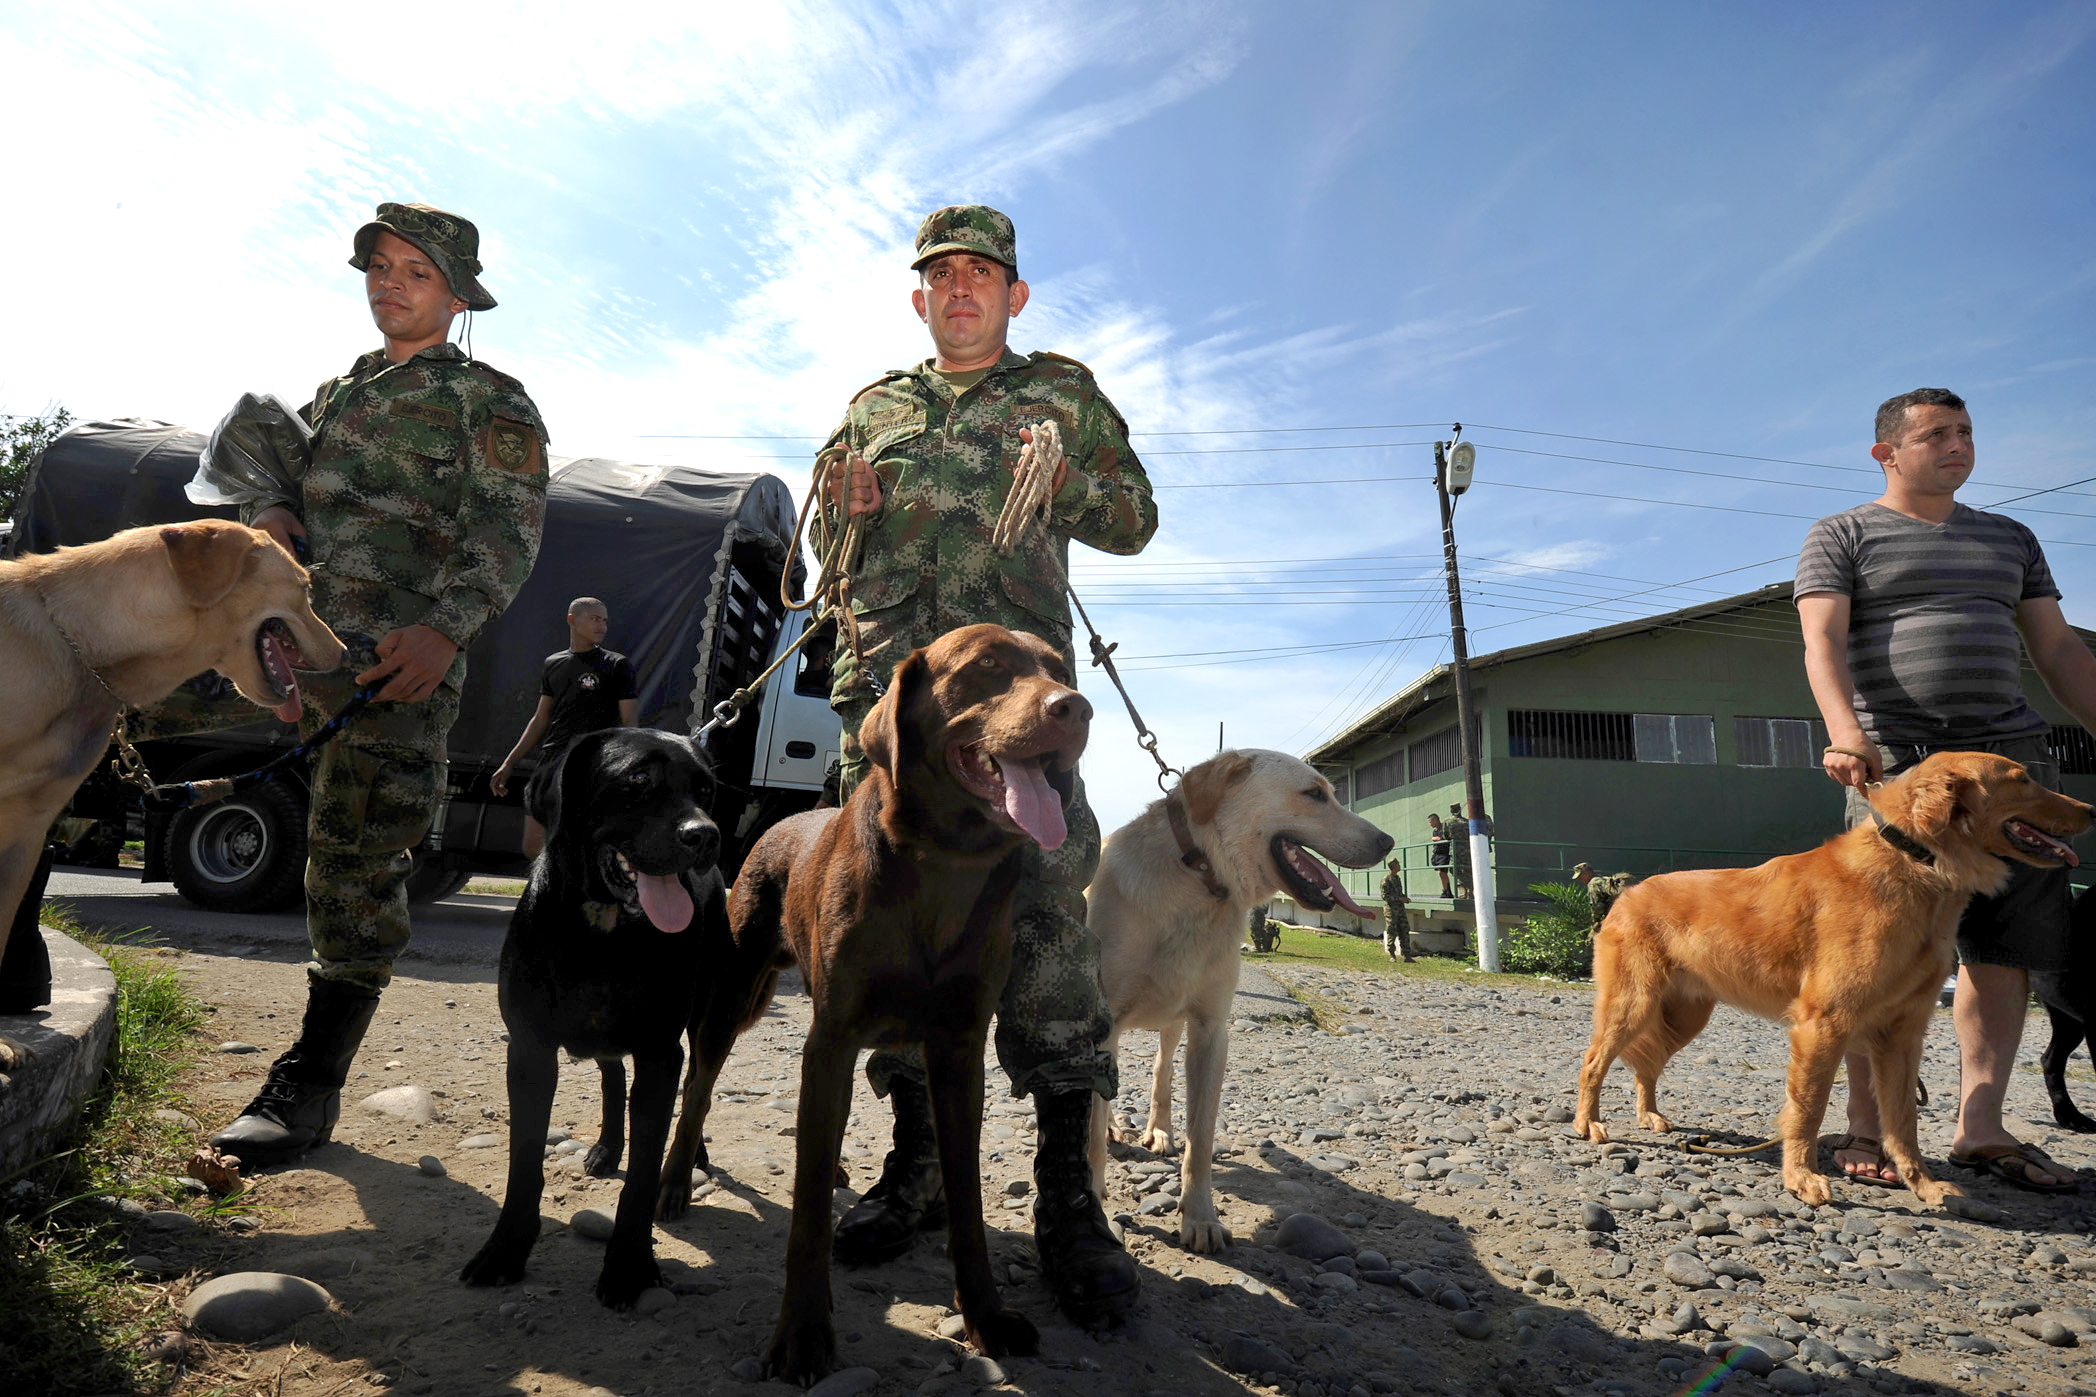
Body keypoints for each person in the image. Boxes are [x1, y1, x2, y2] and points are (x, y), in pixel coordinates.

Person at [146, 203, 549, 1169]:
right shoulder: (338, 393)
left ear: (457, 297)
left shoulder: (488, 400)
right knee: (95, 719)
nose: (390, 283)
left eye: (415, 270)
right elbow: (272, 485)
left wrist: (444, 633)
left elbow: (507, 531)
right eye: (379, 265)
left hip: (389, 665)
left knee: (353, 860)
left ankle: (309, 1086)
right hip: (288, 637)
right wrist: (273, 506)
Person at [811, 205, 1157, 1324]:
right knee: (885, 927)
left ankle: (1069, 1196)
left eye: (981, 274)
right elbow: (828, 544)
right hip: (901, 718)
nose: (959, 289)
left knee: (1049, 913)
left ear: (1013, 295)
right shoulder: (876, 407)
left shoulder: (1059, 393)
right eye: (940, 275)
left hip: (1019, 713)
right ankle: (913, 1167)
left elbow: (1136, 518)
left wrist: (1063, 484)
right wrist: (844, 510)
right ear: (919, 299)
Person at [1797, 386, 2096, 1194]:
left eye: (1965, 432)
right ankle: (1866, 1125)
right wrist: (1843, 730)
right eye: (1937, 434)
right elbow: (1821, 640)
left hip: (2008, 764)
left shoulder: (2012, 538)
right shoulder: (1843, 533)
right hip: (1899, 770)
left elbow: (2060, 646)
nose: (1958, 445)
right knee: (1872, 952)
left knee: (2004, 948)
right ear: (1887, 452)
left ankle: (1981, 1126)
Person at [491, 597, 639, 857]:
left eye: (605, 620)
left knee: (579, 844)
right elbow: (539, 720)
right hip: (550, 761)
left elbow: (630, 723)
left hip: (592, 763)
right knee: (533, 848)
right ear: (572, 619)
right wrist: (509, 762)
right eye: (595, 619)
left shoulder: (617, 665)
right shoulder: (553, 663)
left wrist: (629, 765)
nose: (602, 626)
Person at [1570, 861, 1636, 924]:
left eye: (1580, 876)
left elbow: (1597, 906)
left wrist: (1596, 921)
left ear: (1586, 873)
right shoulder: (1602, 879)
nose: (1580, 879)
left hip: (1617, 913)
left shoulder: (1593, 884)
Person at [1380, 859, 1414, 962]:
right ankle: (1392, 955)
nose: (1399, 866)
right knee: (1392, 931)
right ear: (1393, 866)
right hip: (1391, 910)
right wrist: (1400, 899)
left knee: (1404, 930)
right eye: (1398, 864)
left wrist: (1404, 898)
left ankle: (1407, 955)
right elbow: (1385, 896)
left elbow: (1399, 893)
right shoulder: (1386, 879)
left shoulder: (1397, 878)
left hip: (1400, 909)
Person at [1426, 812, 1453, 896]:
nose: (1430, 824)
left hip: (1444, 853)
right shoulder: (1435, 830)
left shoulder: (1443, 828)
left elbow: (1443, 838)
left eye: (1431, 822)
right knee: (1440, 873)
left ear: (1436, 820)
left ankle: (1447, 891)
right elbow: (1436, 838)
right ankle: (1445, 890)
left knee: (1442, 872)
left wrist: (1436, 838)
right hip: (1437, 853)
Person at [1448, 803, 1472, 898]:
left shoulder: (1449, 821)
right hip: (1467, 849)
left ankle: (1462, 890)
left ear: (1451, 811)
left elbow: (1446, 835)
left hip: (1455, 849)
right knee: (1468, 869)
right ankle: (1470, 890)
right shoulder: (1467, 822)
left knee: (1454, 869)